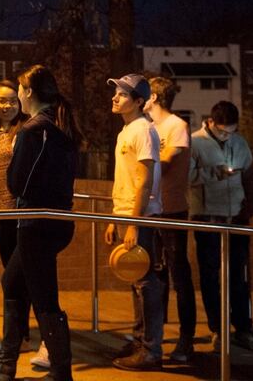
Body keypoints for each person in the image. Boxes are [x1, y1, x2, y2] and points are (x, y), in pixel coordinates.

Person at [0, 64, 81, 381]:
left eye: (21, 91)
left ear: (29, 93)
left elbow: (17, 183)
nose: (19, 97)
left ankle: (60, 371)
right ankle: (7, 362)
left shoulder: (32, 130)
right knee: (13, 281)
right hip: (53, 221)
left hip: (35, 224)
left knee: (44, 297)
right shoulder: (59, 127)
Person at [188, 101, 253, 352]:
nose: (227, 136)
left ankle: (244, 329)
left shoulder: (240, 143)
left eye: (231, 131)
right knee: (211, 277)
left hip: (236, 218)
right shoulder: (194, 142)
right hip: (208, 217)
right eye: (223, 131)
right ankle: (218, 330)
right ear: (210, 122)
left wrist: (251, 205)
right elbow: (187, 177)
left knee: (240, 277)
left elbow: (248, 174)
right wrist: (214, 173)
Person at [0, 81, 44, 360]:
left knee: (22, 278)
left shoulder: (25, 131)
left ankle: (34, 340)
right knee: (15, 280)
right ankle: (22, 337)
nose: (6, 106)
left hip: (21, 216)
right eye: (1, 101)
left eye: (12, 101)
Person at [103, 73, 166, 371]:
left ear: (139, 101)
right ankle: (140, 340)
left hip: (142, 218)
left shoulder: (143, 130)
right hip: (128, 215)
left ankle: (151, 349)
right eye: (115, 92)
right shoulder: (126, 131)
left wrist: (134, 223)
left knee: (146, 282)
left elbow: (144, 179)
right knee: (135, 279)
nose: (115, 97)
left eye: (123, 94)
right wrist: (116, 219)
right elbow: (126, 180)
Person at [144, 76, 197, 362]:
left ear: (154, 97)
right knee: (154, 274)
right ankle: (155, 334)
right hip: (152, 210)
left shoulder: (177, 126)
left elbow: (162, 163)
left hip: (172, 209)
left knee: (179, 274)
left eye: (145, 93)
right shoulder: (147, 127)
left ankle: (186, 338)